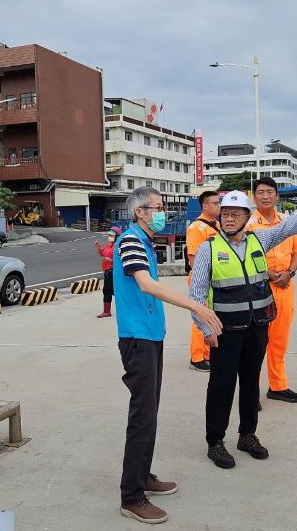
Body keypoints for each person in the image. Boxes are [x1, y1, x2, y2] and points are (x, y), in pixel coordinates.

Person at [190, 190, 297, 470]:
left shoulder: (260, 239)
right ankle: (215, 441)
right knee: (221, 386)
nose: (229, 219)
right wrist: (206, 329)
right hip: (226, 332)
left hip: (256, 328)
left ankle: (247, 435)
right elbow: (196, 295)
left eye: (235, 214)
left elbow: (293, 224)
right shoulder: (209, 248)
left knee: (250, 383)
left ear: (246, 217)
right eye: (225, 214)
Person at [114, 187, 224, 525]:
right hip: (137, 340)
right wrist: (195, 306)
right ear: (140, 212)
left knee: (150, 413)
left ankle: (142, 475)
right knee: (143, 416)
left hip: (150, 337)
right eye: (158, 207)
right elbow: (146, 285)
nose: (162, 213)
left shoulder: (145, 242)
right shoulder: (130, 241)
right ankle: (132, 496)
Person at [247, 178, 297, 404]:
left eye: (269, 192)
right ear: (254, 196)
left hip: (285, 286)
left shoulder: (287, 222)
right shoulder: (249, 225)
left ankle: (278, 386)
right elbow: (246, 257)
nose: (265, 196)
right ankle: (251, 393)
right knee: (256, 343)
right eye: (260, 192)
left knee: (279, 340)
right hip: (259, 288)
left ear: (277, 195)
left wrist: (290, 272)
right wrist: (270, 274)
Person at [185, 191, 221, 372]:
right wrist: (203, 280)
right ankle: (197, 357)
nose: (218, 206)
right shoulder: (197, 228)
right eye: (215, 203)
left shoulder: (217, 225)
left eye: (219, 203)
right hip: (202, 280)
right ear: (205, 206)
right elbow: (193, 258)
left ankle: (206, 353)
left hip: (215, 279)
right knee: (200, 316)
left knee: (210, 317)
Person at [94, 226, 121, 318]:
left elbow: (121, 260)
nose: (109, 237)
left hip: (113, 271)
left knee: (109, 290)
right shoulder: (109, 245)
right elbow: (103, 253)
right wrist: (98, 248)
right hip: (107, 271)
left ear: (117, 236)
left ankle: (107, 311)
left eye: (112, 235)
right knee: (110, 290)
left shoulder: (118, 246)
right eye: (109, 235)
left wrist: (111, 261)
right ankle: (107, 311)